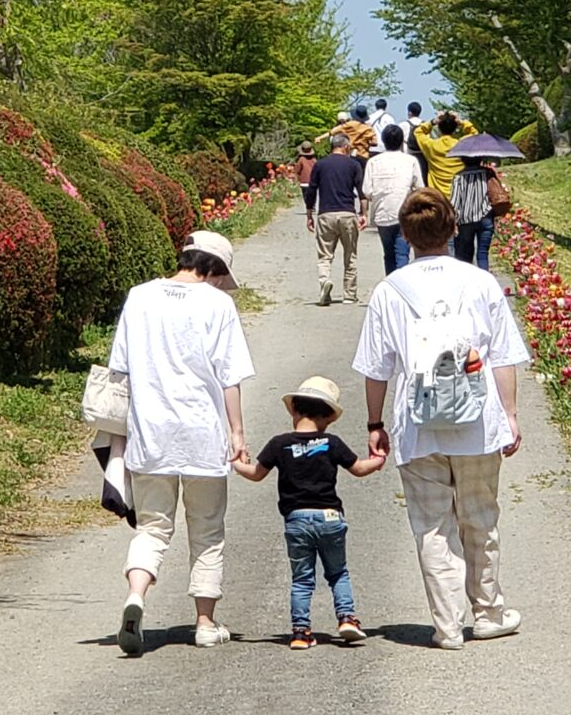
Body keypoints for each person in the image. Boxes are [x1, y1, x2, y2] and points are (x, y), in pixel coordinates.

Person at [352, 189, 530, 650]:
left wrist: (375, 424)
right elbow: (503, 358)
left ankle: (448, 626)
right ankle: (488, 612)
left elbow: (376, 368)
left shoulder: (390, 291)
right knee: (480, 518)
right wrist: (509, 415)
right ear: (453, 229)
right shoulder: (480, 282)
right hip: (477, 421)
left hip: (418, 424)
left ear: (405, 236)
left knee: (432, 525)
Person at [110, 229, 255, 656]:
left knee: (153, 527)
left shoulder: (139, 297)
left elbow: (121, 367)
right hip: (202, 432)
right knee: (207, 530)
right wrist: (237, 434)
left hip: (150, 431)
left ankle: (136, 595)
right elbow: (229, 376)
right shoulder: (218, 303)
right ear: (214, 268)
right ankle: (206, 623)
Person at [232, 376, 386, 649]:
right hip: (330, 517)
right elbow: (360, 469)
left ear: (294, 409)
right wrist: (378, 460)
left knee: (302, 579)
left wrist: (237, 463)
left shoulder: (279, 444)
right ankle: (347, 618)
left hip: (297, 520)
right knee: (338, 572)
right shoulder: (331, 442)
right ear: (328, 416)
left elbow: (255, 474)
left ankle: (301, 632)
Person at [305, 133, 367, 305]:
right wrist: (364, 214)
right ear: (346, 146)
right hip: (347, 213)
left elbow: (311, 190)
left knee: (325, 256)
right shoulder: (354, 165)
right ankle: (349, 294)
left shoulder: (320, 165)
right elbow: (362, 192)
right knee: (350, 255)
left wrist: (309, 213)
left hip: (326, 214)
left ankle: (324, 281)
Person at [364, 123, 424, 274]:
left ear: (383, 140)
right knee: (402, 253)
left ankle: (391, 284)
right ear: (401, 140)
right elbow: (420, 188)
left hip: (382, 213)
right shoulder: (410, 161)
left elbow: (367, 191)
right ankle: (403, 286)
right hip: (405, 212)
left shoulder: (373, 162)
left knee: (388, 253)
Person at [414, 111, 479, 199]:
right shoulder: (462, 145)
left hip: (438, 197)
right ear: (455, 128)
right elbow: (474, 134)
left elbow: (418, 132)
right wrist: (460, 121)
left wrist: (433, 121)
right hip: (460, 194)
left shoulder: (431, 146)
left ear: (439, 128)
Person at [451, 156, 499, 271]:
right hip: (485, 217)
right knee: (483, 254)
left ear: (462, 159)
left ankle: (467, 283)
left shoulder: (458, 176)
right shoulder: (487, 173)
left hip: (465, 220)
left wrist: (454, 221)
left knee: (465, 256)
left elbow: (455, 202)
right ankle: (484, 282)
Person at [405, 102, 430, 186]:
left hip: (409, 154)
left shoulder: (404, 124)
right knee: (422, 180)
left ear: (409, 112)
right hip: (423, 156)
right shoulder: (425, 125)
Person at [294, 141, 318, 210]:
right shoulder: (314, 160)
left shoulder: (301, 160)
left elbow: (297, 170)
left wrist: (297, 177)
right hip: (313, 180)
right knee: (313, 194)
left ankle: (308, 205)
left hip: (304, 181)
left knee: (305, 195)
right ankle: (313, 205)